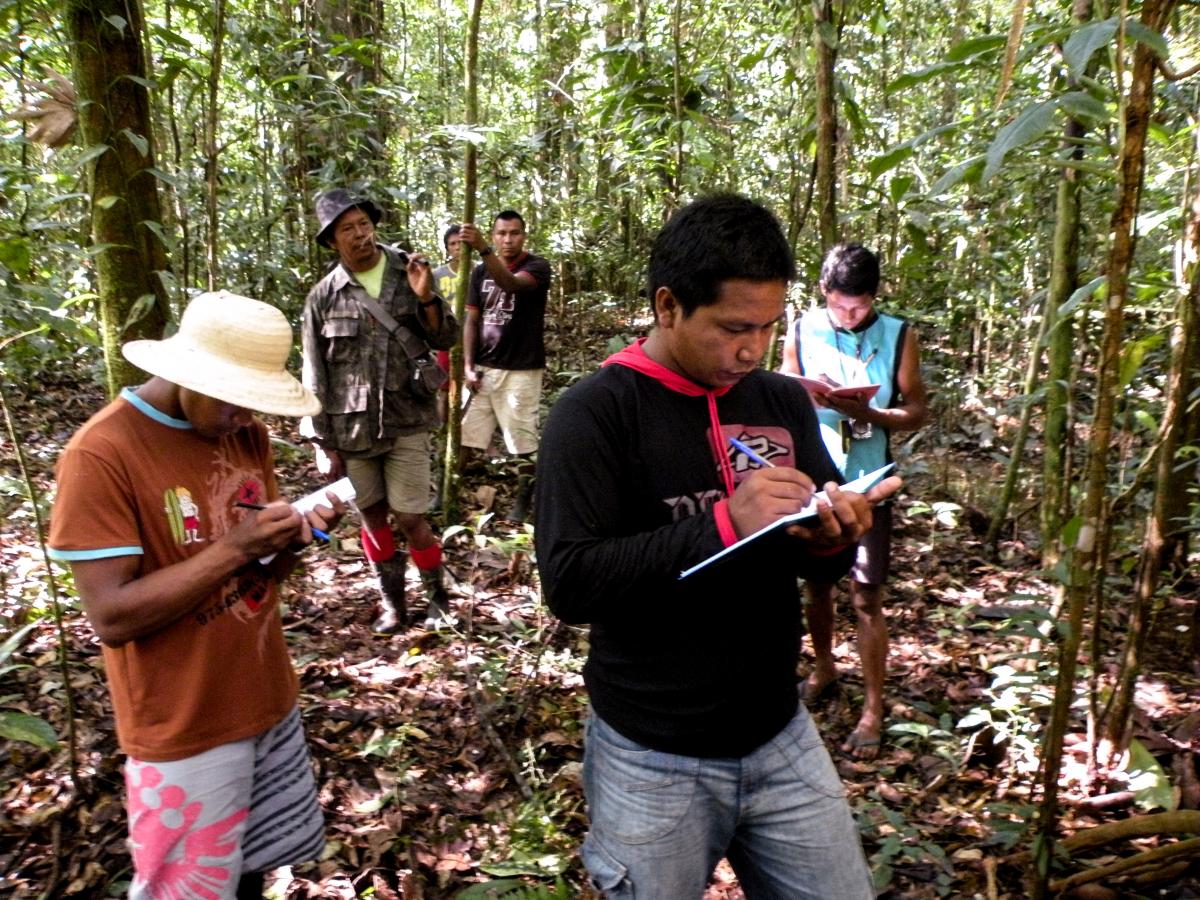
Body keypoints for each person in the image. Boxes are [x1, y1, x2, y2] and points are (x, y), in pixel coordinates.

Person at [535, 194, 898, 899]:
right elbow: (571, 581)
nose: (751, 350)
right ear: (668, 306)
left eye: (766, 328)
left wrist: (833, 537)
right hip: (651, 751)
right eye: (734, 327)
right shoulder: (595, 415)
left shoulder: (781, 400)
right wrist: (722, 523)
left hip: (777, 731)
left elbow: (803, 549)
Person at [47, 291, 344, 899]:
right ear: (189, 374)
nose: (246, 416)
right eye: (237, 399)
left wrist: (292, 538)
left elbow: (255, 575)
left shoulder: (243, 434)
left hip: (263, 696)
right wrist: (235, 547)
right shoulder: (102, 454)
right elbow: (111, 616)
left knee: (252, 875)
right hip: (183, 722)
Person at [780, 242, 928, 759]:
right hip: (817, 480)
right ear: (824, 293)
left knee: (867, 596)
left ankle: (872, 707)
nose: (851, 315)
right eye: (841, 305)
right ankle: (823, 668)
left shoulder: (898, 334)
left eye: (861, 306)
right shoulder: (801, 328)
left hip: (870, 481)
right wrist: (812, 396)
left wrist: (873, 414)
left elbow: (915, 410)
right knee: (816, 586)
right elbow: (782, 393)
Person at [301, 188, 459, 634]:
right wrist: (321, 440)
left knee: (410, 516)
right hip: (352, 427)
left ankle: (437, 597)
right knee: (371, 515)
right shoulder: (322, 297)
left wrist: (426, 297)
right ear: (332, 241)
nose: (360, 236)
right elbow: (314, 371)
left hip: (407, 416)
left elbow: (445, 337)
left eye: (364, 225)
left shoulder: (408, 270)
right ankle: (393, 603)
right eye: (347, 229)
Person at [458, 210, 552, 522]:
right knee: (464, 434)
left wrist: (484, 248)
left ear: (524, 235)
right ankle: (448, 493)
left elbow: (511, 284)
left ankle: (524, 499)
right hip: (484, 368)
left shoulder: (537, 267)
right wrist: (468, 366)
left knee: (522, 441)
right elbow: (473, 319)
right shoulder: (478, 272)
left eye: (514, 233)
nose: (507, 240)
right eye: (501, 233)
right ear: (495, 234)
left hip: (521, 369)